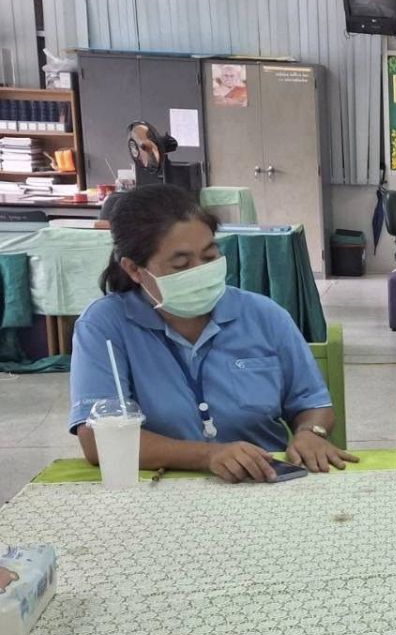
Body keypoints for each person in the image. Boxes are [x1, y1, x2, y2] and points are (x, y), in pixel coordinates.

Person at [67, 184, 354, 482]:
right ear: (134, 269)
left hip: (264, 481)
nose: (199, 271)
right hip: (160, 486)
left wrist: (311, 433)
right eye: (181, 264)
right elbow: (97, 440)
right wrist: (207, 455)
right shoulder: (105, 326)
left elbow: (313, 403)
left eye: (209, 257)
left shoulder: (264, 316)